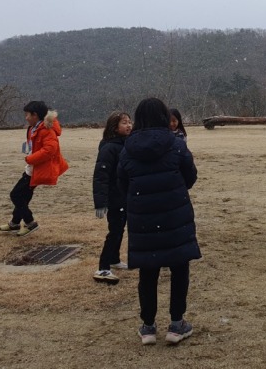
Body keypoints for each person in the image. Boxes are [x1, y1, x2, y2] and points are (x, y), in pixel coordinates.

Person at [118, 97, 201, 346]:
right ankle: (176, 324)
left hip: (143, 219)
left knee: (148, 271)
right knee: (179, 268)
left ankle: (148, 327)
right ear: (164, 117)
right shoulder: (176, 144)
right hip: (175, 215)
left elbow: (122, 184)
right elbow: (190, 176)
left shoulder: (128, 148)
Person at [0, 101, 69, 236]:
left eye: (27, 115)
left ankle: (30, 223)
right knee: (24, 196)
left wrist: (31, 158)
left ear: (35, 115)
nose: (26, 118)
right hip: (32, 168)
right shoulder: (34, 128)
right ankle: (14, 223)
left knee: (15, 195)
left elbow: (50, 150)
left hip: (36, 169)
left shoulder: (46, 130)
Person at [92, 111, 133, 284]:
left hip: (125, 196)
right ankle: (103, 267)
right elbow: (101, 176)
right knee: (115, 231)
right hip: (115, 198)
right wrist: (100, 203)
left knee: (120, 229)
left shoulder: (127, 144)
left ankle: (114, 259)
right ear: (114, 127)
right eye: (124, 122)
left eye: (130, 122)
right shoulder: (109, 148)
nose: (129, 125)